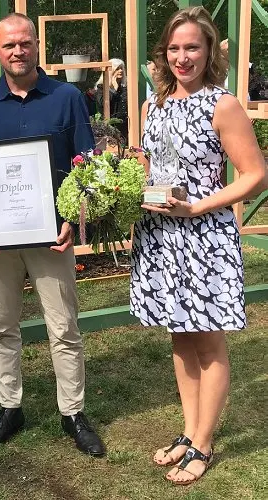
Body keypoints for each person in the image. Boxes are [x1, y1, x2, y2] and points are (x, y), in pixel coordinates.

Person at [0, 13, 105, 457]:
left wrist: (75, 220)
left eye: (24, 42)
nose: (17, 51)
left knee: (64, 327)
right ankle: (9, 407)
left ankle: (73, 412)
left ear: (36, 46)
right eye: (8, 45)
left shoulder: (66, 98)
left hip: (50, 236)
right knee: (3, 327)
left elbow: (87, 162)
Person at [132, 7, 268, 485]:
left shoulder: (222, 104)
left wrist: (200, 206)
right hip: (160, 237)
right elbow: (152, 166)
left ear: (209, 51)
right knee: (180, 335)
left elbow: (254, 175)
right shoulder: (156, 105)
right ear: (163, 55)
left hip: (202, 237)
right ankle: (190, 432)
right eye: (174, 48)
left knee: (208, 341)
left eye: (192, 47)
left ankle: (205, 443)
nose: (182, 57)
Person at [95, 57, 128, 140]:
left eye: (121, 68)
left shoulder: (125, 88)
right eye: (117, 69)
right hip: (109, 128)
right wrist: (113, 90)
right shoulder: (101, 88)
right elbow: (103, 104)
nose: (120, 71)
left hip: (125, 128)